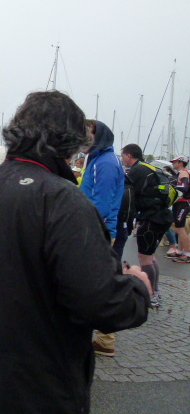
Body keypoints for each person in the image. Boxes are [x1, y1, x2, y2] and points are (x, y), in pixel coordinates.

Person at [0, 91, 151, 414]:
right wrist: (138, 287)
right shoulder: (63, 201)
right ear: (70, 144)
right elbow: (102, 302)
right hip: (36, 396)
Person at [79, 120, 126, 358]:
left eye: (89, 134)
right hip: (100, 229)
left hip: (98, 230)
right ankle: (105, 338)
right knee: (98, 283)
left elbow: (102, 204)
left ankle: (106, 338)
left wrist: (86, 230)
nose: (84, 138)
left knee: (96, 285)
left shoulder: (105, 162)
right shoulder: (100, 159)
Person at [121, 144, 173, 308]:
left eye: (122, 156)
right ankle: (155, 292)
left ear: (129, 156)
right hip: (162, 215)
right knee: (150, 256)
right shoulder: (149, 167)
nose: (122, 159)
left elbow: (127, 193)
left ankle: (150, 294)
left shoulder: (137, 171)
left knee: (145, 257)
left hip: (151, 218)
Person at [169, 156, 190, 262]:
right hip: (181, 202)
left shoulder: (183, 173)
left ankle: (188, 253)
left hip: (183, 202)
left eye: (175, 162)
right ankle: (181, 251)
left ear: (181, 163)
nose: (173, 164)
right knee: (179, 228)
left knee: (180, 228)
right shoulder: (182, 173)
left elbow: (185, 188)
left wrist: (172, 185)